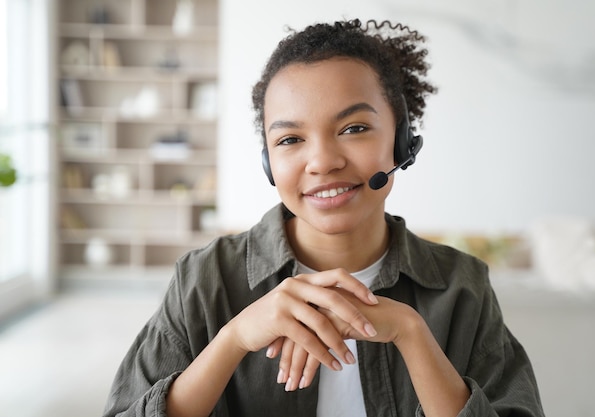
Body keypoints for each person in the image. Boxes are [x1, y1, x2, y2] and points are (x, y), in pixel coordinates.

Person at [103, 19, 544, 417]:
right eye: (291, 139)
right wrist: (233, 339)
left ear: (402, 141)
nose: (322, 162)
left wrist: (412, 333)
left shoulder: (463, 286)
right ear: (268, 162)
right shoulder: (204, 279)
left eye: (353, 129)